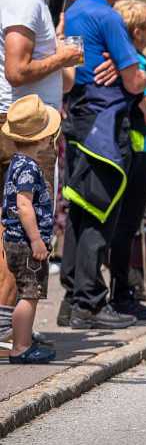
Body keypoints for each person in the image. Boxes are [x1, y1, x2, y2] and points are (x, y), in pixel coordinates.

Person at [0, 0, 81, 341]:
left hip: (28, 121)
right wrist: (62, 58)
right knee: (20, 225)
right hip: (24, 127)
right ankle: (10, 335)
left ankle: (11, 329)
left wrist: (60, 60)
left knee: (12, 222)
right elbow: (17, 70)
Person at [59, 0, 146, 330]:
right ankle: (90, 303)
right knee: (100, 208)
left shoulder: (74, 11)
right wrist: (143, 69)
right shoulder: (107, 15)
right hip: (106, 123)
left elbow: (75, 65)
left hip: (78, 116)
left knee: (80, 208)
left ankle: (72, 297)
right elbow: (134, 79)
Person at [105, 0, 146, 319]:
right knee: (127, 225)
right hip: (140, 149)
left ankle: (119, 289)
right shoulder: (137, 62)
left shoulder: (130, 58)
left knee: (125, 225)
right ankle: (121, 293)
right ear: (138, 31)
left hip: (139, 148)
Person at [3, 97, 60, 364]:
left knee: (27, 293)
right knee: (30, 295)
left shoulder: (16, 162)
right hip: (27, 243)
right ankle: (21, 347)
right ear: (43, 138)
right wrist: (37, 240)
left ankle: (19, 342)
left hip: (16, 240)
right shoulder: (28, 168)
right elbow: (24, 205)